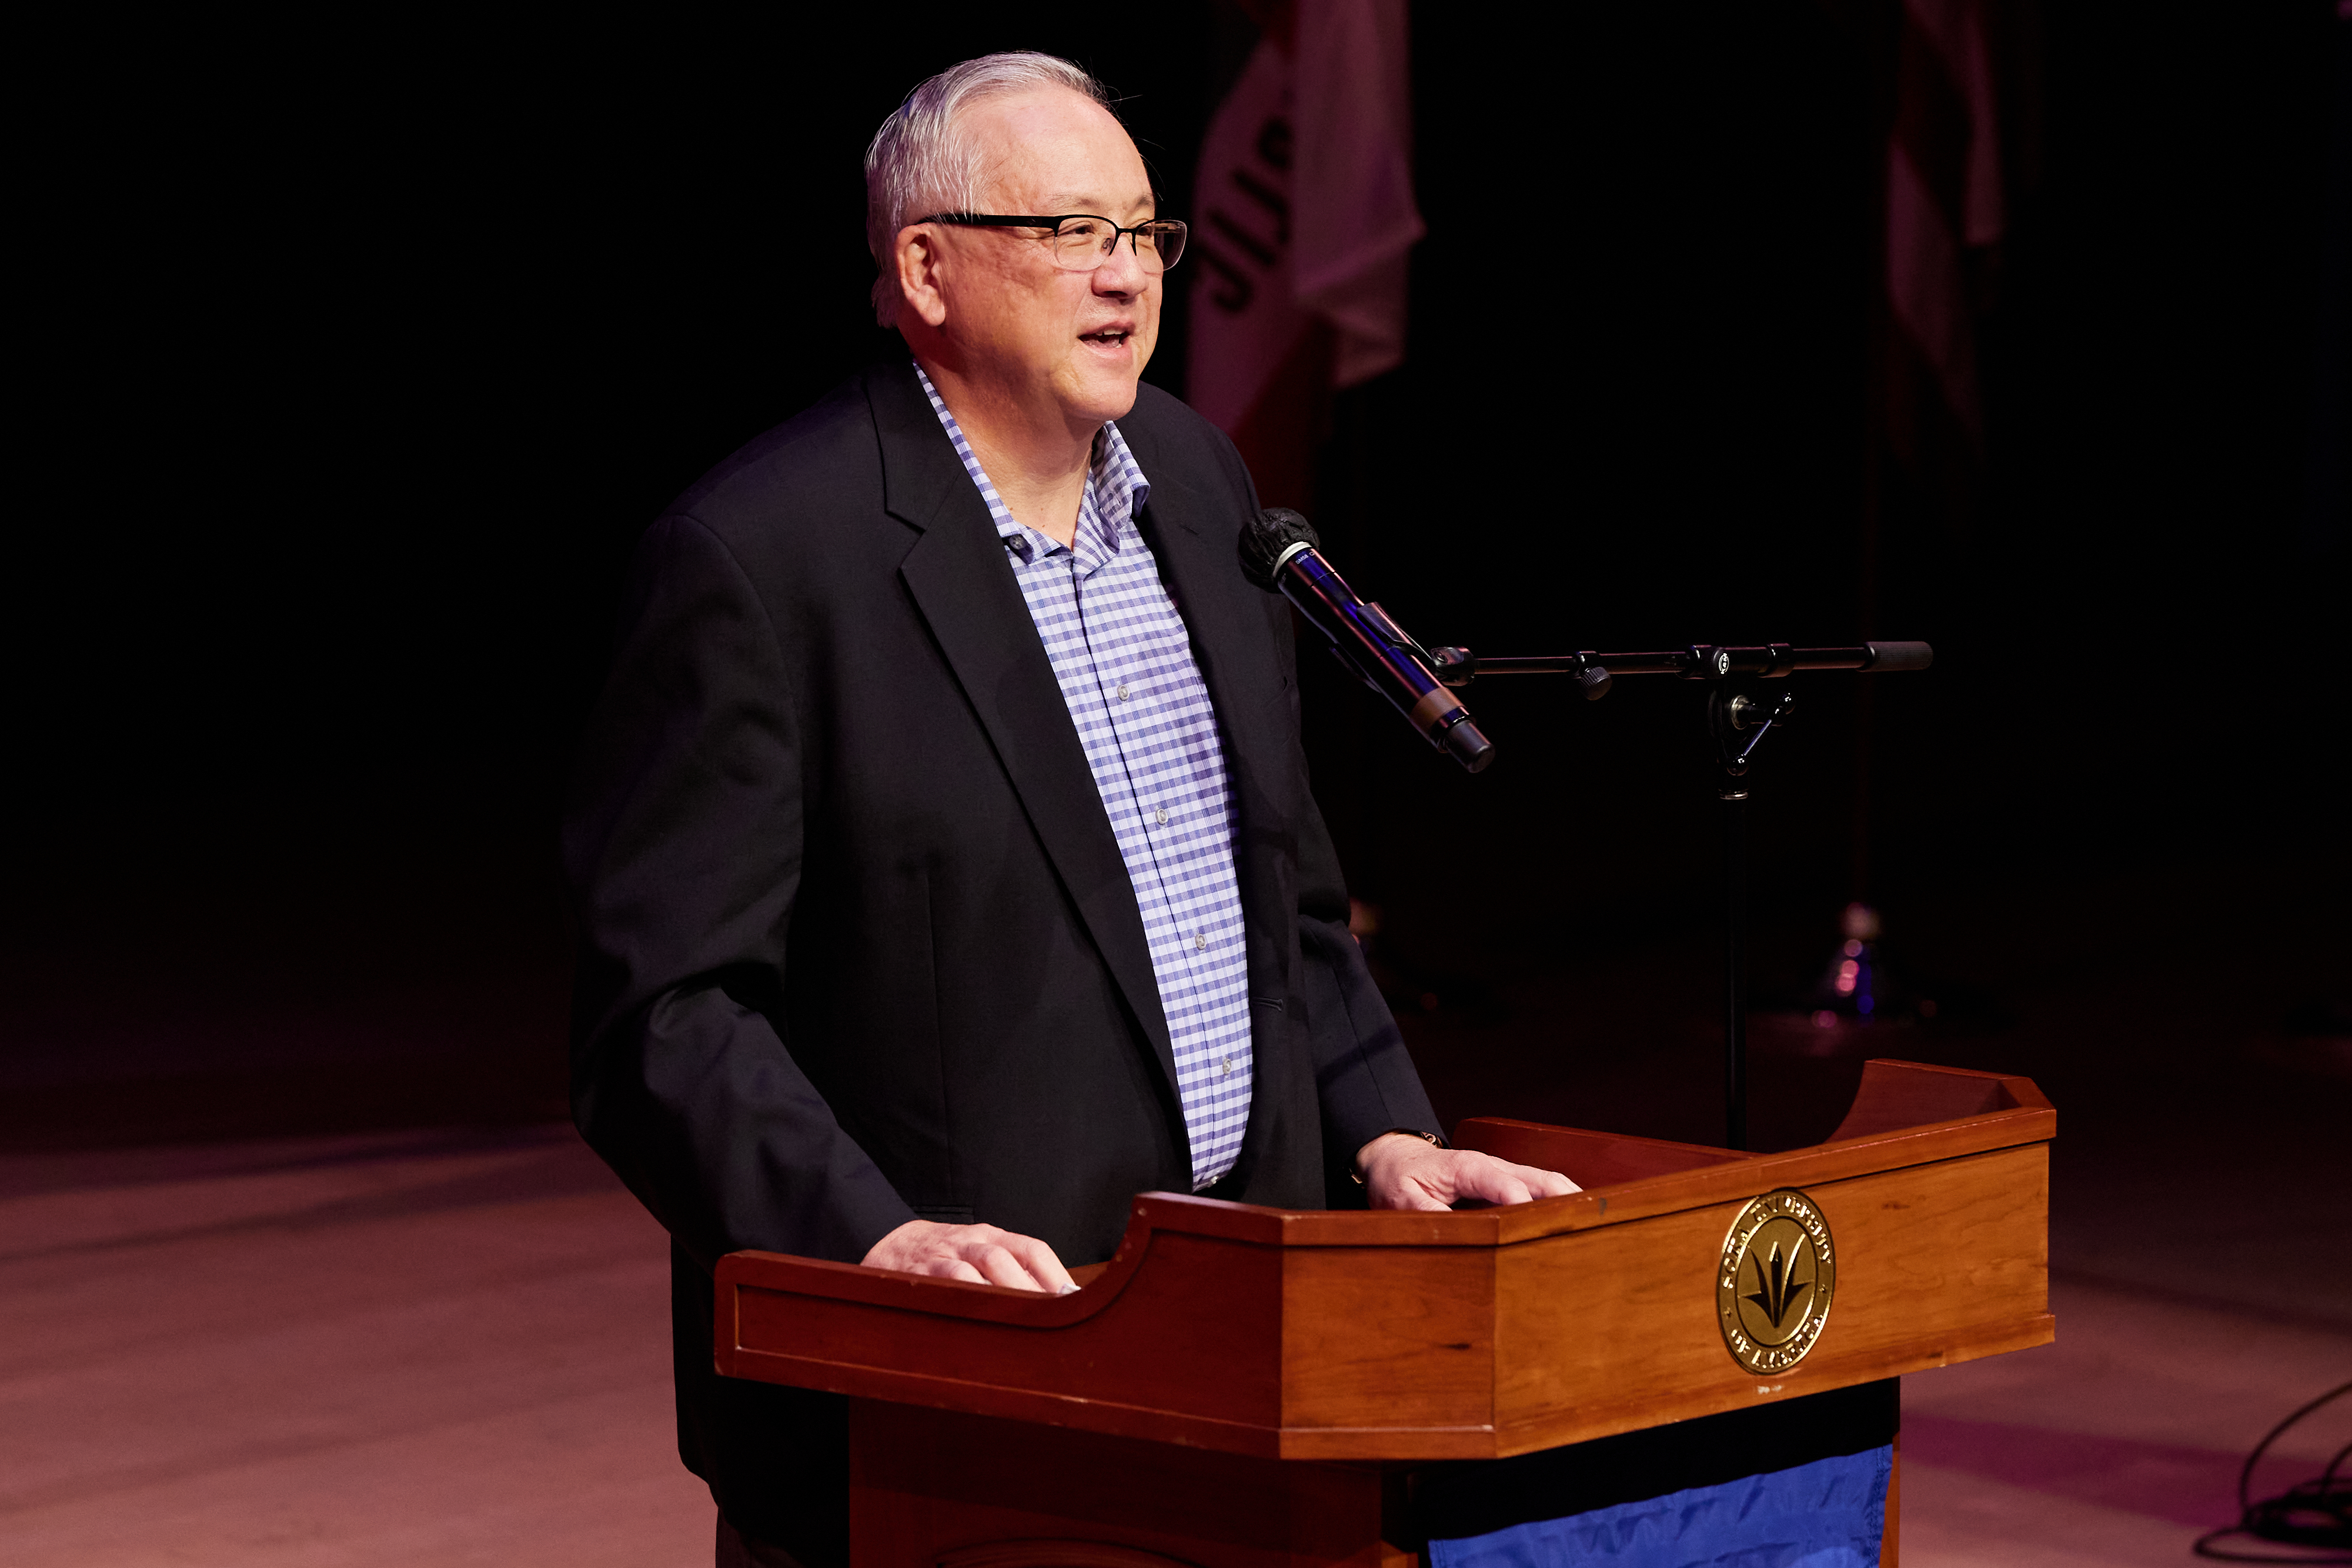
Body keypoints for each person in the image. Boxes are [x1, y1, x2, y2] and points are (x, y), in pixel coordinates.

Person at [562, 51, 1576, 1568]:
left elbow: (1282, 892)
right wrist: (869, 1241)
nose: (1128, 277)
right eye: (1071, 233)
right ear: (926, 266)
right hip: (945, 1396)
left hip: (1247, 1354)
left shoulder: (1199, 476)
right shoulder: (764, 561)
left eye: (1148, 235)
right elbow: (666, 1011)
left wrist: (1383, 1131)